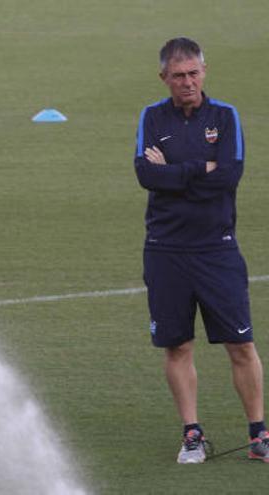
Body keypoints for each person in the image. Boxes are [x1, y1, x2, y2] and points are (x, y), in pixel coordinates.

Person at [134, 37, 268, 464]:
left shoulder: (224, 117)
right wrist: (200, 169)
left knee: (241, 346)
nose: (187, 82)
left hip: (217, 248)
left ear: (204, 72)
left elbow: (229, 175)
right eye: (178, 76)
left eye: (194, 73)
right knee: (178, 346)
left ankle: (258, 435)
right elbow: (144, 174)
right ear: (164, 78)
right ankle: (191, 433)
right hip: (165, 248)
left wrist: (173, 171)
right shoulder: (152, 117)